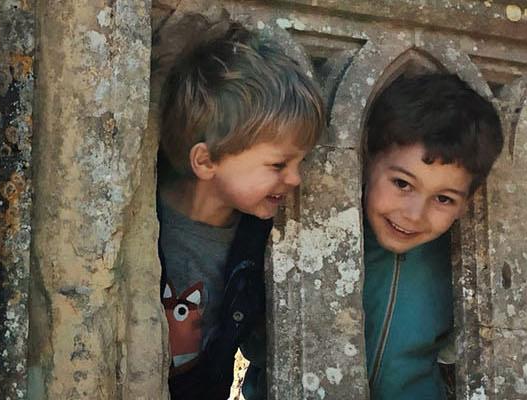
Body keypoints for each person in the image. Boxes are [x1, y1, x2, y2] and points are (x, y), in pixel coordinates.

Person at [155, 26, 325, 399]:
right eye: (279, 164)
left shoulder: (258, 240)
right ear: (207, 160)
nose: (295, 179)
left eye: (300, 162)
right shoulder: (149, 222)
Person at [360, 73, 504, 399]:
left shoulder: (459, 265)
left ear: (466, 204)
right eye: (401, 183)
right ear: (368, 158)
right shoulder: (331, 236)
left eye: (443, 199)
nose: (413, 215)